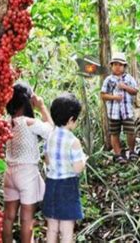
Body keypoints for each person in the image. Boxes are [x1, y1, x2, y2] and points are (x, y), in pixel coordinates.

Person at [3, 82, 54, 243]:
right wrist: (42, 106)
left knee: (8, 218)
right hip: (27, 175)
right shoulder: (28, 122)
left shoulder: (7, 122)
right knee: (26, 220)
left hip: (9, 173)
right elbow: (52, 132)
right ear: (27, 101)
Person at [42, 93, 86, 243]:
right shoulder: (73, 141)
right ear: (71, 120)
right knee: (67, 230)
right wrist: (84, 161)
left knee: (52, 227)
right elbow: (78, 168)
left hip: (51, 184)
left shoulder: (49, 136)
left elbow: (47, 160)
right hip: (67, 187)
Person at [101, 52, 139, 163]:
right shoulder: (108, 80)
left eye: (120, 65)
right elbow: (103, 95)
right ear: (111, 66)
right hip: (114, 112)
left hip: (127, 112)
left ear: (124, 66)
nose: (118, 67)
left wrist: (125, 87)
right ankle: (118, 154)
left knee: (130, 131)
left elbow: (135, 91)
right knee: (114, 133)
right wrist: (114, 97)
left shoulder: (129, 78)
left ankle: (132, 152)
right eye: (115, 64)